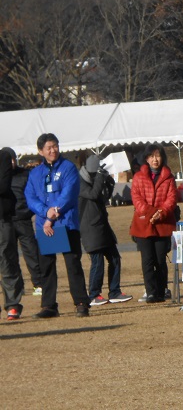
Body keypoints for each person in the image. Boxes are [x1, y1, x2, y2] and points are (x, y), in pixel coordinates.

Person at [25, 133, 91, 318]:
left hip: (65, 223)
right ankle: (49, 306)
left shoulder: (68, 168)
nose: (53, 150)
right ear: (40, 151)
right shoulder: (35, 173)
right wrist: (45, 213)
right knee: (46, 266)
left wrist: (53, 214)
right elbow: (31, 197)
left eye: (55, 146)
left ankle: (81, 302)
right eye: (49, 147)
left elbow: (68, 195)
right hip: (45, 226)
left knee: (72, 263)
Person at [79, 155, 132, 305]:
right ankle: (94, 294)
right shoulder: (80, 182)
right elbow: (93, 194)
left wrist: (108, 181)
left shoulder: (95, 179)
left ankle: (114, 292)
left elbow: (103, 197)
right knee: (97, 261)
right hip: (89, 227)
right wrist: (100, 178)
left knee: (114, 258)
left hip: (102, 226)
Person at [130, 144, 177, 303]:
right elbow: (136, 198)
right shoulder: (138, 177)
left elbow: (171, 199)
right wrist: (150, 213)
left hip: (163, 223)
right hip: (144, 223)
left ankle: (162, 290)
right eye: (151, 156)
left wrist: (160, 213)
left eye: (158, 156)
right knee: (147, 260)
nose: (155, 159)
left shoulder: (169, 177)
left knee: (160, 259)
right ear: (146, 159)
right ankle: (150, 291)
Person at [3, 148, 42, 298]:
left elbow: (33, 194)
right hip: (6, 222)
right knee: (10, 257)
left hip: (23, 220)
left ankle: (38, 284)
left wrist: (28, 212)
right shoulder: (1, 176)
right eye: (8, 160)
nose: (11, 162)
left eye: (12, 159)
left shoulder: (25, 174)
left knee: (32, 253)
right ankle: (16, 287)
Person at [0, 148, 22, 320]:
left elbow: (3, 185)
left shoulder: (4, 156)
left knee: (7, 260)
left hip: (2, 219)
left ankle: (13, 304)